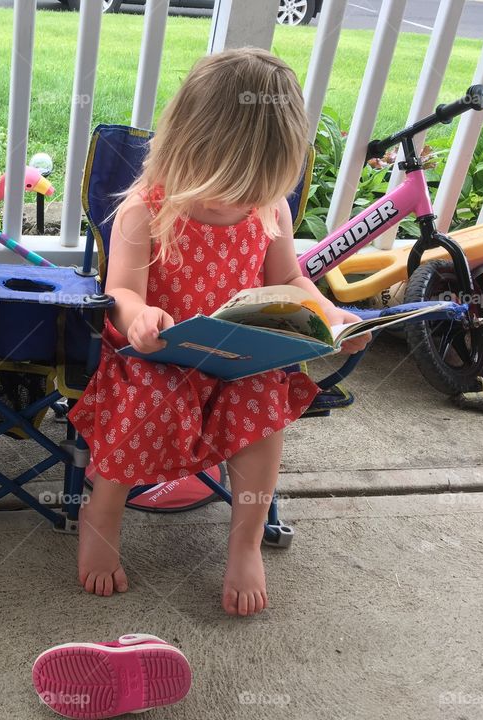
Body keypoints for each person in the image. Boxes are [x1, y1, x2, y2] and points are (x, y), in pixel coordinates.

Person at [67, 48, 369, 616]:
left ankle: (246, 541)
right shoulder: (145, 209)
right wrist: (141, 316)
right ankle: (102, 517)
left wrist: (332, 318)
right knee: (144, 404)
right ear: (187, 150)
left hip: (238, 356)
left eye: (255, 184)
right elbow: (121, 293)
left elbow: (290, 280)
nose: (239, 197)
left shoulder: (269, 208)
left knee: (263, 406)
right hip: (154, 354)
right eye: (226, 181)